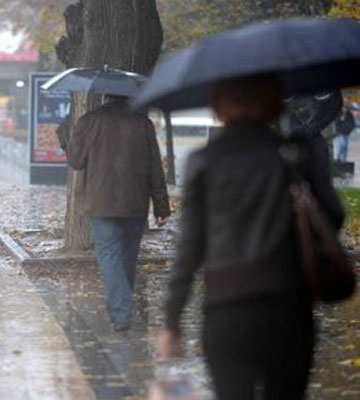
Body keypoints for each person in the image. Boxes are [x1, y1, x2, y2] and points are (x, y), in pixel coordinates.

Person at [158, 75, 345, 399]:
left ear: (220, 105)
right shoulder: (296, 153)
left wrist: (172, 320)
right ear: (276, 102)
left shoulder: (205, 161)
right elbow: (333, 216)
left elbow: (189, 248)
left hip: (226, 310)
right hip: (288, 308)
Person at [67, 94, 170, 332]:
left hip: (101, 202)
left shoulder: (89, 121)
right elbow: (156, 167)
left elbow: (76, 161)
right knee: (127, 258)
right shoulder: (142, 123)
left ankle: (122, 311)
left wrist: (66, 136)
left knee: (109, 255)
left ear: (105, 96)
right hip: (135, 202)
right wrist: (161, 206)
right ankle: (121, 309)